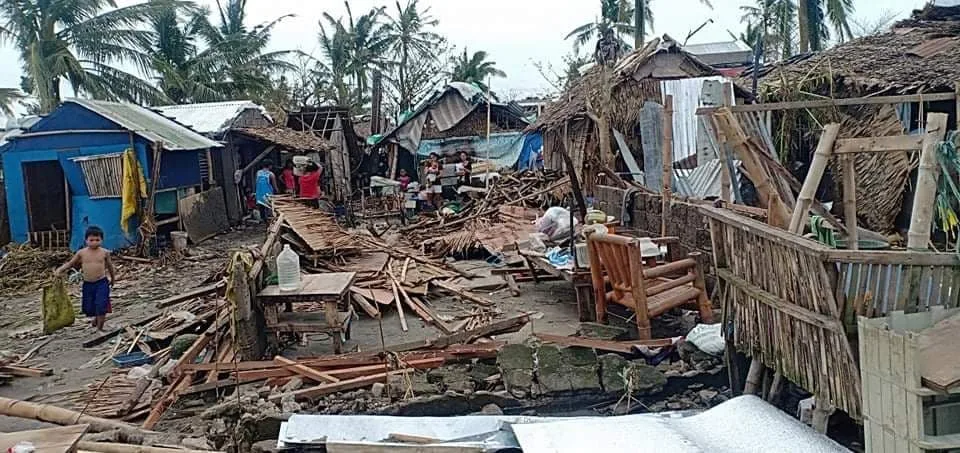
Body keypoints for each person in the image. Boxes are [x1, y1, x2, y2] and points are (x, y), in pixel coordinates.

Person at [55, 226, 117, 331]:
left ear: (102, 240)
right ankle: (96, 318)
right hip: (88, 284)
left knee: (101, 305)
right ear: (86, 240)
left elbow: (110, 266)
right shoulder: (81, 253)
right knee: (89, 307)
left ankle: (99, 329)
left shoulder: (104, 252)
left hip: (101, 282)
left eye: (97, 240)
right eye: (91, 240)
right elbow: (71, 263)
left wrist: (113, 278)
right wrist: (60, 270)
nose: (94, 242)